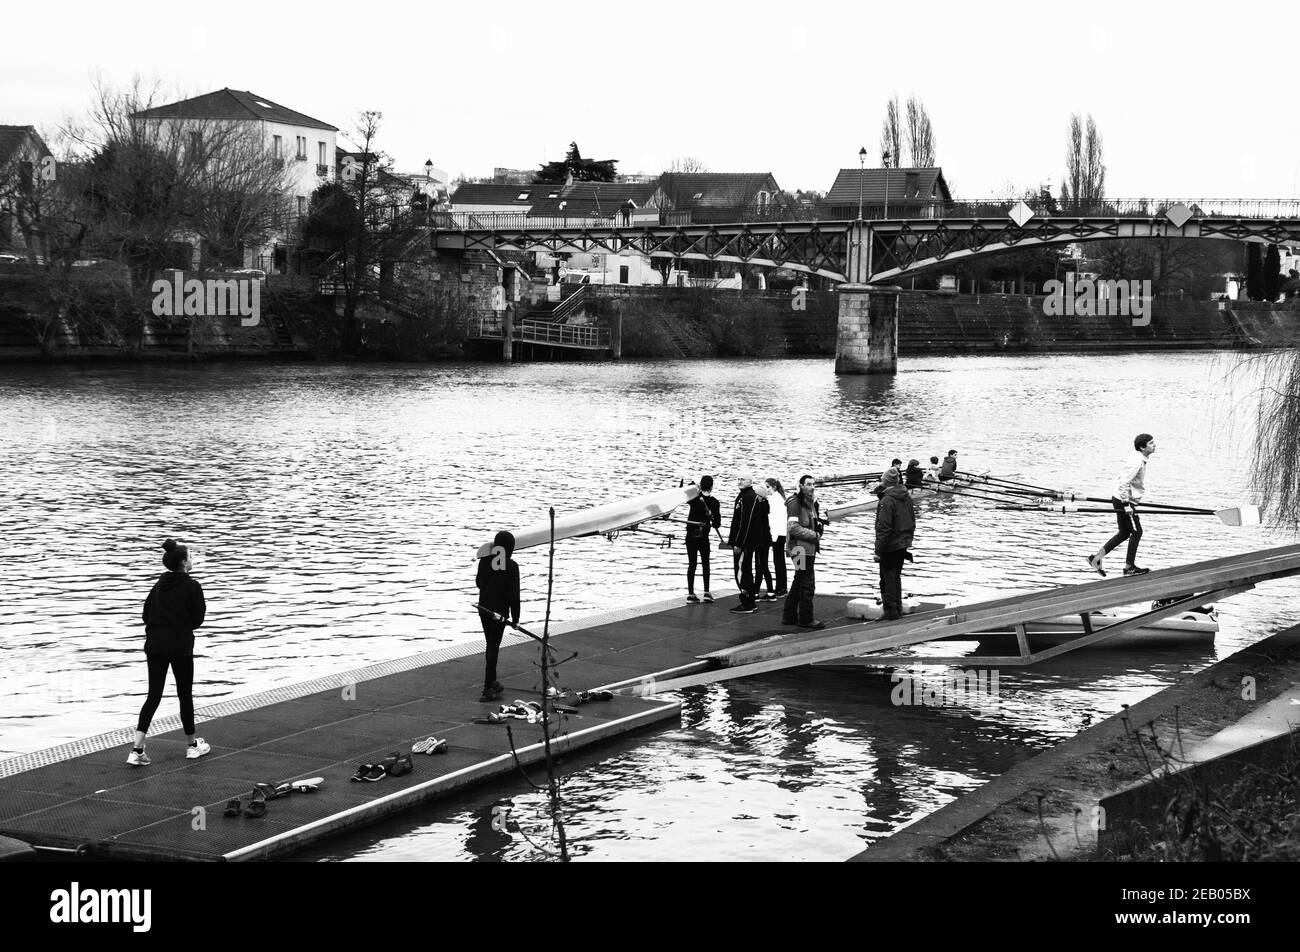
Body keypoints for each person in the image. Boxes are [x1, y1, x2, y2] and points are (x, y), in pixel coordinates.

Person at [130, 539, 209, 766]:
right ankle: (192, 746)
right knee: (185, 695)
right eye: (191, 557)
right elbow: (198, 619)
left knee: (153, 695)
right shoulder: (192, 586)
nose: (192, 560)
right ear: (184, 563)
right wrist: (181, 625)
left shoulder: (157, 586)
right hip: (180, 647)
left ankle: (137, 749)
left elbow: (145, 615)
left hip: (154, 646)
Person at [1088, 433, 1156, 577]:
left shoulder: (1139, 457)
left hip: (1120, 498)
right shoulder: (1138, 461)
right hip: (1124, 500)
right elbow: (1124, 482)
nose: (1154, 445)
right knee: (1137, 532)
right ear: (1142, 447)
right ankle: (1129, 567)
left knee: (1125, 532)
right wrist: (1126, 504)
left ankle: (1096, 558)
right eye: (1151, 443)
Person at [477, 530, 521, 701]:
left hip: (484, 609)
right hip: (499, 614)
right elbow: (514, 595)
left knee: (490, 645)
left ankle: (492, 682)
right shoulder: (511, 566)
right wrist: (516, 618)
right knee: (493, 646)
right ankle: (488, 686)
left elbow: (479, 583)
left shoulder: (484, 561)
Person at [782, 474, 825, 630]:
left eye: (813, 484)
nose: (812, 487)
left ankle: (789, 615)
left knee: (799, 580)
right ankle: (806, 619)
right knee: (807, 584)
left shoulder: (811, 503)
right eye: (808, 484)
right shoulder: (795, 503)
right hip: (799, 549)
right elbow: (792, 527)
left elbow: (812, 522)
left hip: (807, 549)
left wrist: (819, 524)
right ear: (800, 486)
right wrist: (814, 535)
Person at [873, 468, 916, 621]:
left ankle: (890, 611)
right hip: (903, 543)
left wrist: (877, 551)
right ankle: (896, 608)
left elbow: (883, 528)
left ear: (885, 482)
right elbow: (912, 521)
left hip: (890, 545)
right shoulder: (906, 496)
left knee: (886, 579)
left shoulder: (887, 500)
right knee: (896, 577)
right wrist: (907, 540)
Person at [684, 475, 721, 603]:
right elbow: (717, 524)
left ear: (701, 485)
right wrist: (712, 518)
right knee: (705, 564)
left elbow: (685, 494)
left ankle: (690, 594)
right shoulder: (714, 502)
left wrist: (693, 487)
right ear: (711, 487)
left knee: (692, 564)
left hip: (690, 536)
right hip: (703, 537)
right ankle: (706, 592)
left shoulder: (694, 499)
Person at [728, 477, 761, 613]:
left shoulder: (749, 497)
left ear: (750, 482)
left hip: (745, 543)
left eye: (743, 479)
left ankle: (747, 601)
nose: (739, 481)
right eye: (739, 479)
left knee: (742, 571)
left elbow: (745, 522)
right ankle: (749, 600)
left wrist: (739, 543)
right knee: (744, 569)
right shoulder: (744, 495)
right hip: (744, 541)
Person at [765, 477, 789, 597]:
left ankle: (780, 587)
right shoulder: (779, 498)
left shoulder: (775, 499)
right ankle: (782, 587)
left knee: (778, 561)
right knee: (780, 561)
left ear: (774, 487)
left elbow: (774, 519)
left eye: (768, 487)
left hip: (777, 533)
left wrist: (772, 536)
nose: (767, 490)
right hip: (782, 533)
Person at [753, 483, 776, 601]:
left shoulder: (759, 508)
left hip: (761, 541)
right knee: (763, 566)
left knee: (760, 567)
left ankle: (756, 592)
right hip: (766, 540)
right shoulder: (765, 506)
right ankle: (770, 591)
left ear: (760, 496)